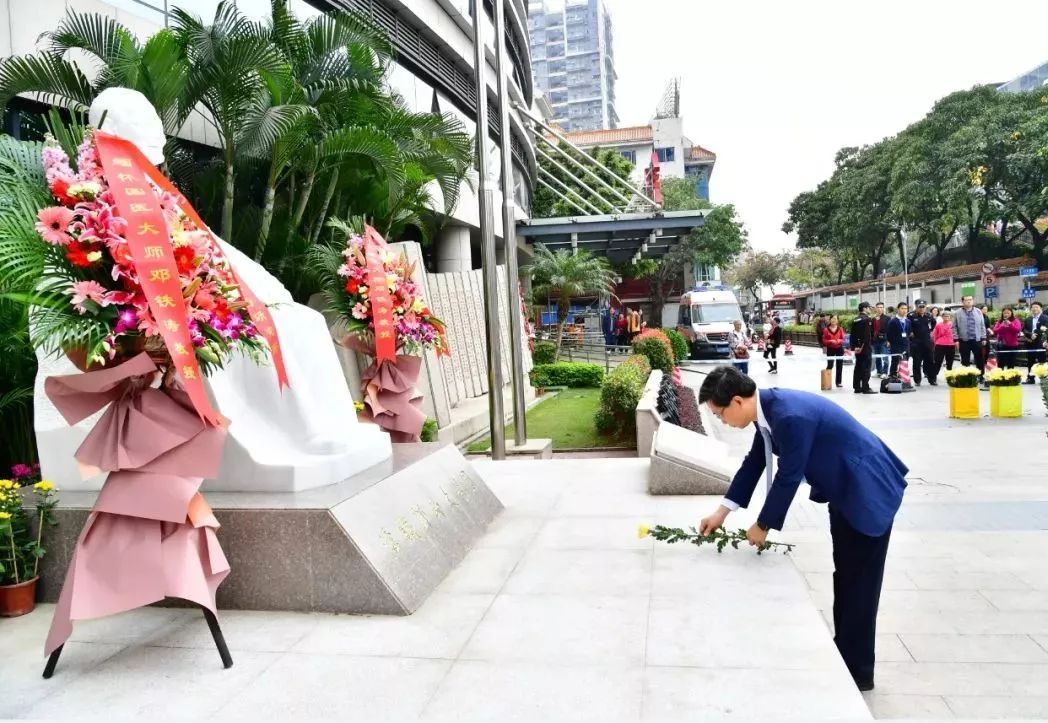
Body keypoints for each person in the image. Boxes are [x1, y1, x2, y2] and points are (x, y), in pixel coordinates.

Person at [697, 366, 907, 692]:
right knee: (847, 576)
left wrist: (763, 525)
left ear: (737, 401)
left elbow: (789, 475)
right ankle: (847, 655)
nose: (723, 421)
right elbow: (754, 463)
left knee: (861, 585)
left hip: (867, 490)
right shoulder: (767, 413)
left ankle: (859, 672)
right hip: (844, 490)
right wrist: (721, 513)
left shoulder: (789, 416)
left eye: (720, 414)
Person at [952, 295, 987, 376]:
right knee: (965, 360)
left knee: (979, 358)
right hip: (964, 340)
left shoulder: (978, 311)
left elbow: (982, 325)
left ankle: (980, 376)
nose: (969, 301)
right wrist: (956, 339)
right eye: (966, 300)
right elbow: (954, 327)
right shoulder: (957, 313)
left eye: (970, 299)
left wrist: (984, 337)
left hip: (976, 339)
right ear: (963, 302)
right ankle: (967, 376)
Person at [908, 300, 937, 385]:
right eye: (919, 307)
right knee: (917, 362)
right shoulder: (911, 316)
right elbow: (908, 326)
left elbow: (933, 324)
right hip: (916, 343)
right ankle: (917, 380)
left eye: (923, 307)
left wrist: (931, 331)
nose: (921, 308)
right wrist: (910, 333)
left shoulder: (929, 316)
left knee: (930, 361)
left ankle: (932, 379)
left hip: (927, 342)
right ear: (916, 307)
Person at [851, 302, 876, 394]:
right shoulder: (867, 319)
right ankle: (865, 387)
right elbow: (867, 335)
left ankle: (857, 387)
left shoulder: (855, 319)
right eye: (869, 307)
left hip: (857, 347)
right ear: (864, 309)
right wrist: (862, 346)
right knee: (866, 367)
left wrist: (855, 347)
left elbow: (852, 335)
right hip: (865, 347)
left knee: (858, 367)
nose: (869, 309)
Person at [1022, 301, 1048, 384]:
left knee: (1042, 361)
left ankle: (1043, 378)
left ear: (1041, 309)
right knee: (1030, 361)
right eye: (1033, 307)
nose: (1034, 309)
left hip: (1041, 342)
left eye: (1036, 307)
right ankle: (1030, 378)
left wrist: (1036, 334)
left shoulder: (1045, 318)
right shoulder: (1028, 319)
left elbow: (1045, 329)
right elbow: (1024, 329)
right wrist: (1030, 334)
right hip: (1030, 342)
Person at [887, 302, 911, 376]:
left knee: (905, 361)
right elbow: (889, 334)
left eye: (906, 309)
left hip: (905, 345)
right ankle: (893, 376)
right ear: (898, 309)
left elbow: (908, 332)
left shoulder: (908, 321)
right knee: (895, 361)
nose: (904, 310)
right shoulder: (893, 321)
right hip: (896, 345)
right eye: (902, 308)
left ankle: (903, 376)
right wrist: (891, 343)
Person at [822, 314, 845, 388]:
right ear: (830, 320)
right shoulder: (826, 329)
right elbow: (824, 340)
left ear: (838, 320)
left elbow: (843, 339)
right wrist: (830, 341)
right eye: (832, 318)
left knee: (839, 365)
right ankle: (826, 381)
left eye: (835, 318)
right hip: (830, 349)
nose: (834, 320)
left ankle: (838, 382)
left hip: (839, 348)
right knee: (830, 365)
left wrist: (839, 341)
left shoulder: (840, 329)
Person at [933, 311, 957, 375]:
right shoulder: (938, 325)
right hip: (940, 345)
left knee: (950, 362)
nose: (946, 317)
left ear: (950, 317)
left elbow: (955, 334)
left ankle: (949, 375)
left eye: (947, 316)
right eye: (944, 316)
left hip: (951, 345)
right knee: (938, 361)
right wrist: (935, 343)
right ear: (942, 317)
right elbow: (935, 335)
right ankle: (934, 376)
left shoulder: (953, 325)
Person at [872, 302, 890, 378]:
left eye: (881, 307)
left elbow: (890, 330)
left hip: (884, 340)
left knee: (885, 357)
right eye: (878, 307)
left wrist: (889, 340)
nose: (880, 309)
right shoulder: (873, 319)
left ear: (883, 308)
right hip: (874, 340)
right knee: (877, 357)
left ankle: (885, 372)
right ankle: (879, 371)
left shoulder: (887, 318)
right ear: (876, 308)